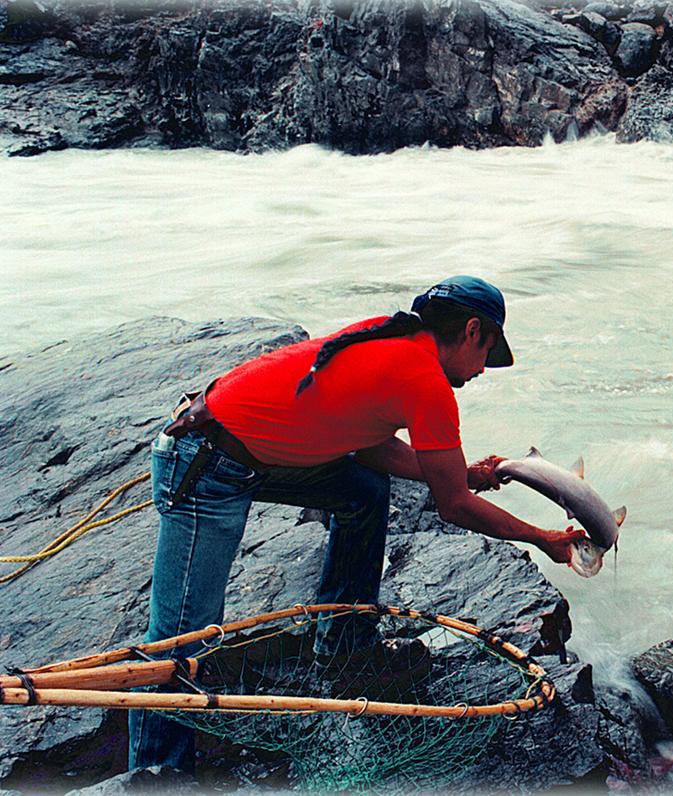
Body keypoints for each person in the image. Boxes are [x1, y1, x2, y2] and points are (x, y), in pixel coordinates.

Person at [128, 275, 584, 772]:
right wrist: (542, 538)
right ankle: (155, 772)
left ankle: (344, 642)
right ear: (474, 330)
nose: (482, 371)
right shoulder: (425, 381)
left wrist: (461, 472)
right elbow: (452, 506)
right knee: (179, 638)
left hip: (244, 449)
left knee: (361, 489)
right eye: (488, 353)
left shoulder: (386, 337)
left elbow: (369, 442)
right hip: (206, 464)